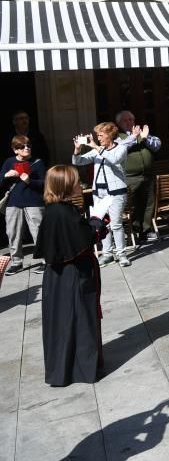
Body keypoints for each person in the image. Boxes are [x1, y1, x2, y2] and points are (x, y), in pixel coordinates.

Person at [35, 165, 104, 387]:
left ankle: (61, 370)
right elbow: (83, 240)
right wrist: (97, 225)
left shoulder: (53, 211)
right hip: (75, 275)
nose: (79, 184)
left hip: (56, 278)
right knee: (80, 319)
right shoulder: (65, 213)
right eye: (75, 181)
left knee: (61, 322)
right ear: (65, 186)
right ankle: (83, 370)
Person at [72, 122, 137, 267]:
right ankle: (107, 254)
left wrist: (95, 146)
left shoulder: (121, 148)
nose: (98, 138)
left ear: (110, 135)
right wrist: (77, 149)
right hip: (98, 192)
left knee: (116, 224)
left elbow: (113, 159)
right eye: (97, 136)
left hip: (116, 192)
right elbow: (78, 161)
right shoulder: (97, 150)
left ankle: (121, 254)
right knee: (101, 224)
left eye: (101, 135)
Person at [115, 111, 162, 245]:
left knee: (148, 203)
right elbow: (119, 149)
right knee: (134, 205)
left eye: (131, 119)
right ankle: (135, 230)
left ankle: (146, 230)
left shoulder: (143, 133)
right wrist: (135, 137)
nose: (129, 122)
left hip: (147, 175)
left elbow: (157, 145)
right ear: (119, 123)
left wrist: (145, 138)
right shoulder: (118, 137)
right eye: (125, 120)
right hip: (130, 177)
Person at [2, 135, 46, 275]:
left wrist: (30, 181)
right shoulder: (9, 162)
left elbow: (45, 184)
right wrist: (6, 176)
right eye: (22, 146)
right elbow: (1, 183)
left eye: (28, 145)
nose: (26, 148)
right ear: (15, 150)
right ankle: (16, 262)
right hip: (13, 203)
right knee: (13, 233)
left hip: (34, 202)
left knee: (38, 232)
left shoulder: (38, 162)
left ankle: (46, 260)